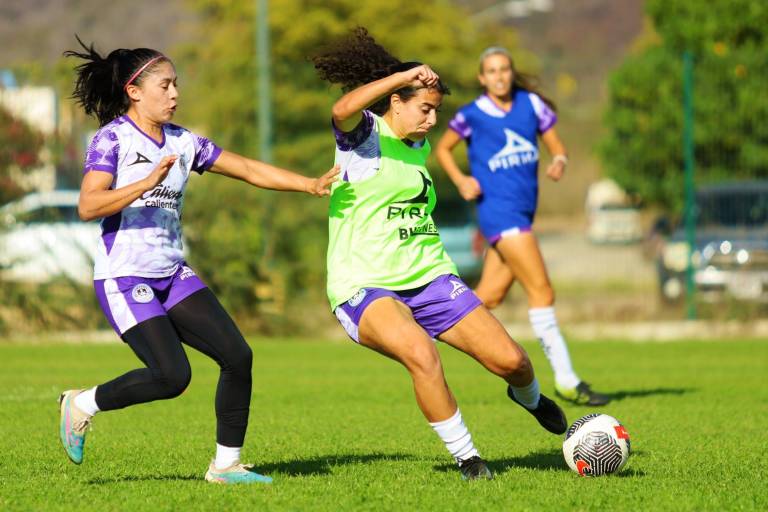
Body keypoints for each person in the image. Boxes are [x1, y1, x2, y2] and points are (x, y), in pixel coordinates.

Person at [58, 38, 338, 484]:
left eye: (176, 85)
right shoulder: (112, 139)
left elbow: (246, 168)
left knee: (237, 356)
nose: (174, 94)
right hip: (125, 276)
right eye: (165, 85)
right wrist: (146, 182)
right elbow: (90, 205)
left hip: (173, 272)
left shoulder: (183, 141)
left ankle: (225, 466)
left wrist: (307, 185)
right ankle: (82, 404)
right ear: (134, 91)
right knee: (171, 377)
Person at [312, 28, 567, 481]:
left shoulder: (418, 147)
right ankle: (469, 459)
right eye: (424, 109)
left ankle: (530, 399)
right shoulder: (364, 137)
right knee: (421, 353)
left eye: (437, 111)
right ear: (396, 101)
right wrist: (404, 74)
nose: (432, 119)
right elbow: (341, 109)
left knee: (512, 362)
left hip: (430, 277)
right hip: (364, 284)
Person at [435, 47, 610, 406]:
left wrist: (559, 160)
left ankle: (427, 326)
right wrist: (461, 179)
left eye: (504, 70)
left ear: (511, 74)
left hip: (522, 213)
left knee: (490, 297)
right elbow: (442, 149)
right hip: (500, 214)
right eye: (491, 71)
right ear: (482, 79)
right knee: (542, 291)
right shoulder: (472, 115)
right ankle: (566, 380)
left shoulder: (532, 105)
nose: (499, 76)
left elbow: (556, 146)